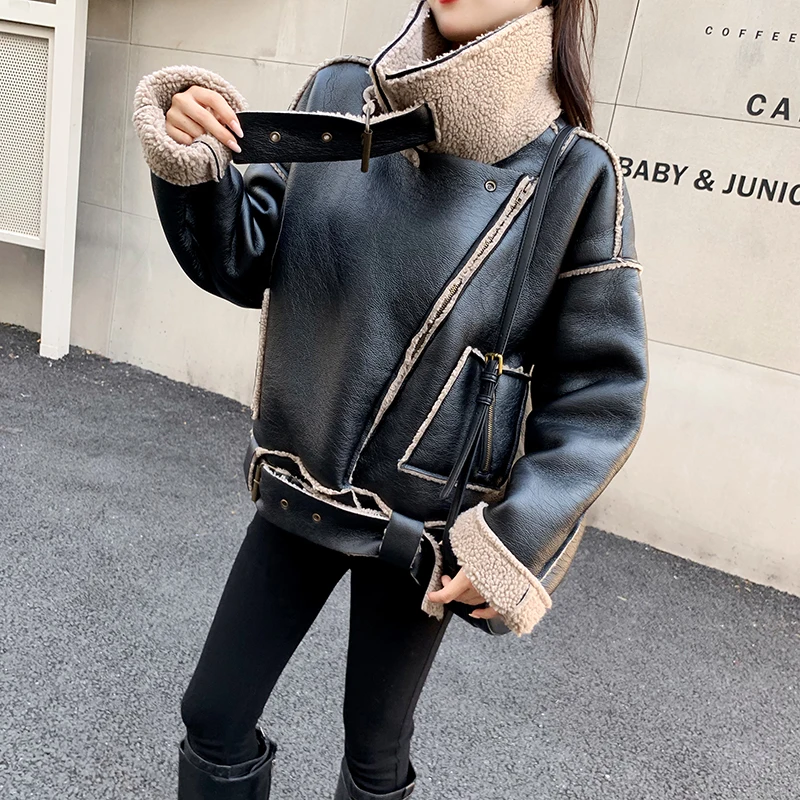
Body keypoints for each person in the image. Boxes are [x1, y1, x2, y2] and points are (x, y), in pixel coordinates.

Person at [132, 0, 648, 797]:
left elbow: (600, 390)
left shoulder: (575, 174)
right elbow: (243, 257)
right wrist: (194, 155)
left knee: (375, 747)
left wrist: (513, 539)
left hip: (423, 535)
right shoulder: (340, 98)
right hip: (300, 486)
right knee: (214, 714)